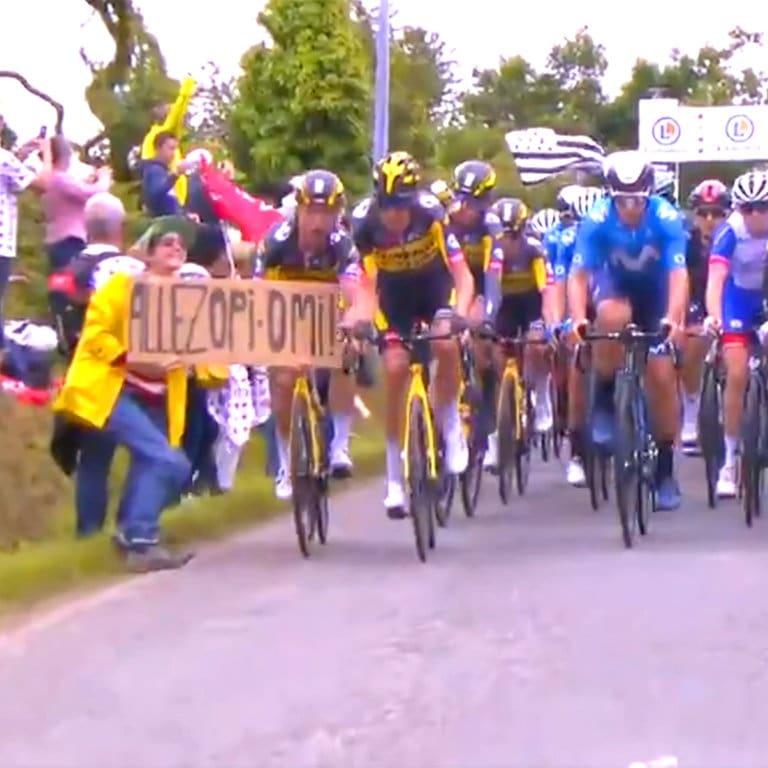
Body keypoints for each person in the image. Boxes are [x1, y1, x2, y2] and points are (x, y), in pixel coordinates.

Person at [53, 217, 227, 571]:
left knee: (164, 464)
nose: (176, 248)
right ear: (147, 254)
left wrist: (205, 368)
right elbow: (96, 334)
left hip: (159, 395)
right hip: (115, 388)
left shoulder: (187, 297)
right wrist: (133, 358)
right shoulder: (122, 287)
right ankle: (140, 541)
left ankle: (130, 532)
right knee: (166, 461)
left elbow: (210, 351)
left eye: (181, 244)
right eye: (167, 243)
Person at [351, 150, 474, 516]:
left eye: (401, 205)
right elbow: (367, 282)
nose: (394, 215)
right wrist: (363, 319)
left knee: (445, 343)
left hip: (434, 288)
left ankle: (451, 424)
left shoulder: (431, 214)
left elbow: (463, 274)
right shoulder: (365, 225)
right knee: (394, 369)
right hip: (395, 298)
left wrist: (461, 314)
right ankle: (393, 477)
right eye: (387, 205)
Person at [568, 150, 688, 511]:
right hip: (615, 285)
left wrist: (675, 317)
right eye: (623, 200)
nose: (632, 208)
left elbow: (679, 276)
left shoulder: (667, 218)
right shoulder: (596, 218)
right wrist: (576, 318)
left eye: (638, 199)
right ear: (611, 195)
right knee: (609, 315)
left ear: (649, 195)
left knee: (663, 379)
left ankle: (665, 470)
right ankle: (604, 398)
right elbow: (578, 275)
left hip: (655, 293)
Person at [255, 169, 374, 499]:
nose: (319, 221)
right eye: (312, 211)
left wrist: (354, 320)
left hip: (327, 314)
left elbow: (355, 293)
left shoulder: (342, 245)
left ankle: (339, 447)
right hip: (282, 310)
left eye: (328, 213)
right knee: (281, 378)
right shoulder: (276, 243)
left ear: (338, 214)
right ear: (300, 209)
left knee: (346, 352)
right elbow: (255, 297)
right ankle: (285, 462)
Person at [704, 170, 768, 498]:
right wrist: (715, 316)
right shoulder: (730, 230)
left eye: (763, 207)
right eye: (748, 209)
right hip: (738, 299)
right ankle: (729, 460)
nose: (755, 216)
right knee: (738, 372)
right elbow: (716, 279)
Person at [483, 196, 553, 470]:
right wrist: (488, 320)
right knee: (497, 352)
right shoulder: (495, 250)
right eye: (503, 234)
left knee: (536, 345)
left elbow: (546, 289)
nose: (508, 240)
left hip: (531, 304)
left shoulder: (534, 250)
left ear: (523, 231)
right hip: (505, 306)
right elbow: (491, 287)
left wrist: (547, 323)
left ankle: (541, 394)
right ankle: (505, 407)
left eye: (514, 234)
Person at [679, 179, 731, 454]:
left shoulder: (737, 237)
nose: (710, 219)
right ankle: (691, 410)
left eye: (717, 213)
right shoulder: (687, 243)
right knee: (691, 342)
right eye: (703, 213)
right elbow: (681, 281)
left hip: (731, 297)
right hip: (698, 297)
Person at [0, 138, 50, 352]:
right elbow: (43, 183)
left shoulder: (7, 160)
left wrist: (20, 155)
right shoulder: (3, 158)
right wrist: (47, 154)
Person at [41, 136, 111, 274]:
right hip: (69, 240)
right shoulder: (60, 178)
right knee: (69, 284)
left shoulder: (52, 179)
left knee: (62, 284)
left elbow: (79, 191)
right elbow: (92, 194)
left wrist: (91, 181)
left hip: (59, 239)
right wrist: (104, 177)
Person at [140, 76, 196, 206]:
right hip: (172, 197)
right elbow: (177, 113)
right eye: (171, 148)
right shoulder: (162, 133)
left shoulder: (150, 138)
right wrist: (186, 92)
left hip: (175, 199)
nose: (169, 108)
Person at [141, 131, 197, 217]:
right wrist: (175, 175)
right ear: (158, 148)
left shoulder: (164, 172)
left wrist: (186, 215)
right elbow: (154, 197)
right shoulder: (155, 170)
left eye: (175, 149)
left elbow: (170, 203)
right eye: (171, 148)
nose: (174, 153)